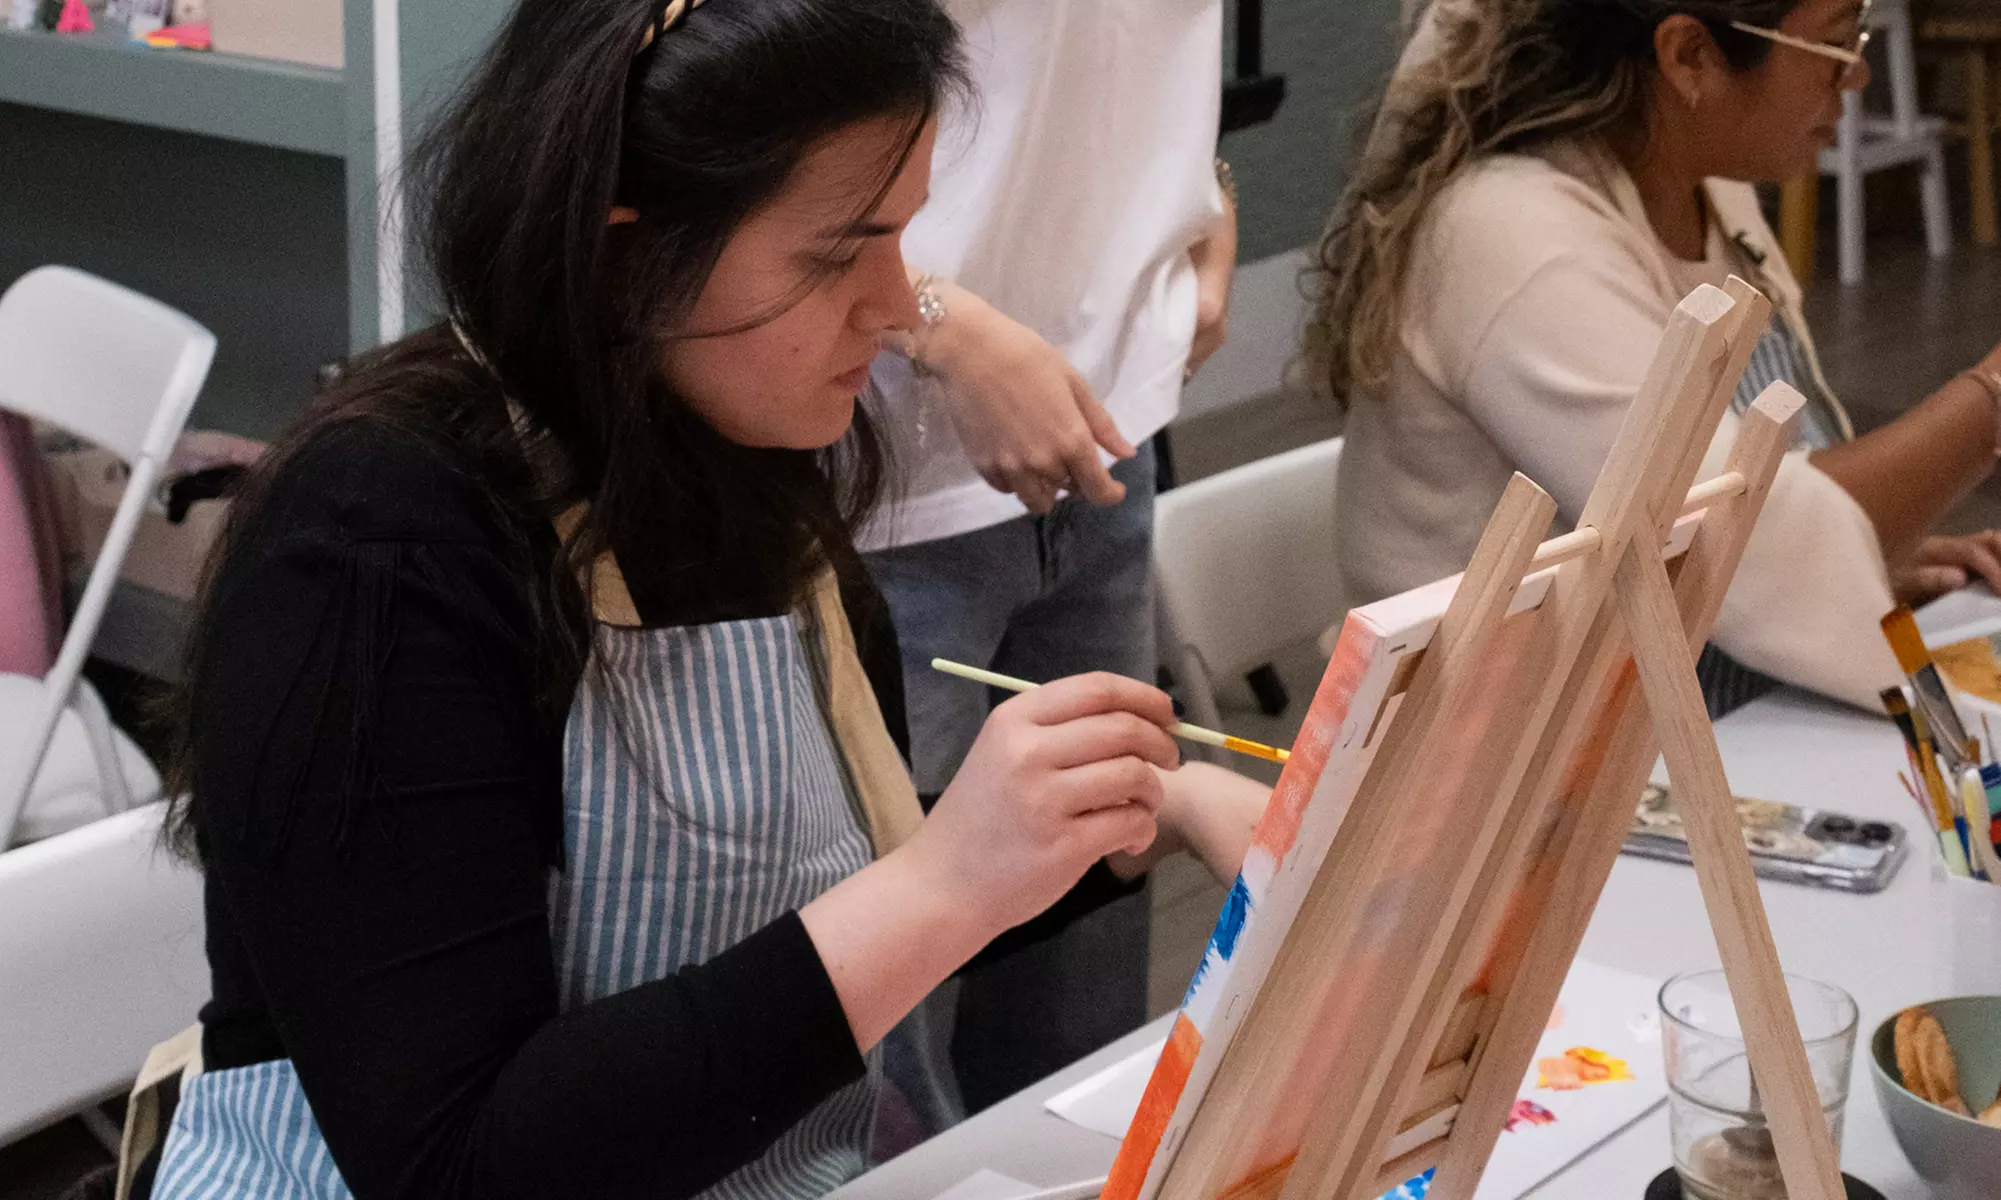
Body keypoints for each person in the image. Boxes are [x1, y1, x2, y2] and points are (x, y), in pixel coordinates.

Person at [146, 1, 1263, 1196]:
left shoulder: (744, 455)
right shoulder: (377, 533)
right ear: (629, 246)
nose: (895, 310)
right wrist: (946, 888)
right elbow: (456, 1159)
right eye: (839, 254)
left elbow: (813, 871)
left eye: (903, 238)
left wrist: (1141, 804)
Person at [1313, 0, 2001, 715]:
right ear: (1688, 56)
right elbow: (1739, 546)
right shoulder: (1513, 239)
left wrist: (1862, 555)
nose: (1855, 75)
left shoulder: (1700, 179)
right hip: (1494, 766)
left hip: (1672, 693)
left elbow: (1746, 519)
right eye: (1833, 45)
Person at [857, 0, 1241, 1117]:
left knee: (1077, 1014)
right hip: (880, 455)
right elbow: (720, 74)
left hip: (1106, 429)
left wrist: (1201, 184)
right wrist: (939, 323)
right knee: (897, 1032)